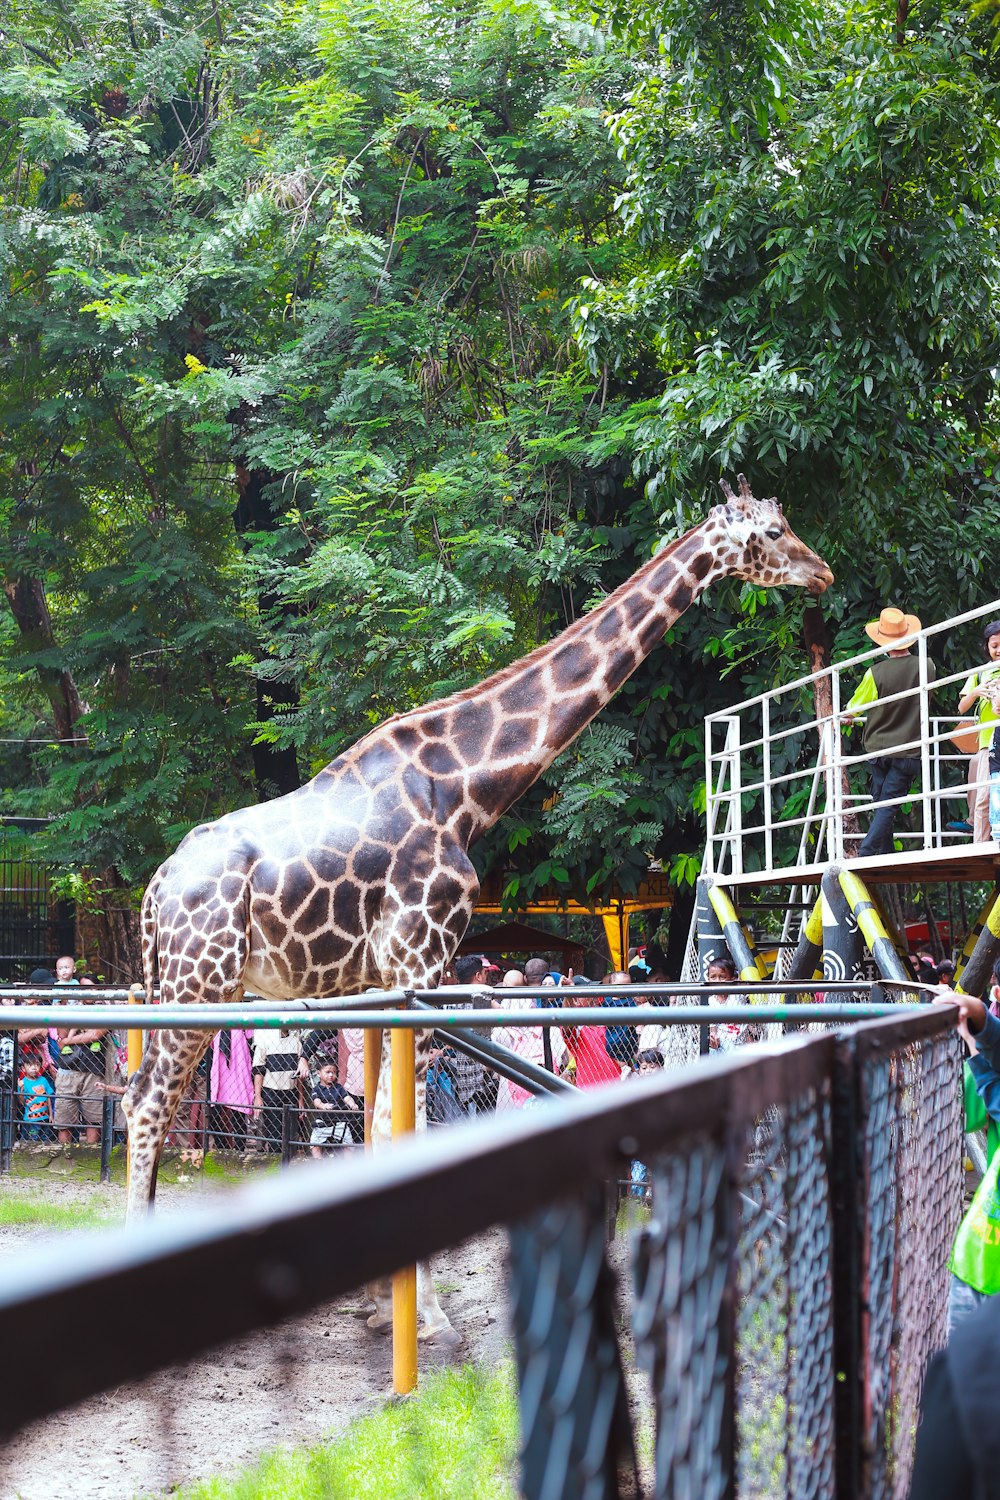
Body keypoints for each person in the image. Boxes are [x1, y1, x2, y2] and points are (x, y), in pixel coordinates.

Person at [843, 606, 937, 857]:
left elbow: (853, 708)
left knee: (882, 803)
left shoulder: (875, 673)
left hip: (878, 748)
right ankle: (883, 854)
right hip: (909, 749)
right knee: (887, 803)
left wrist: (848, 717)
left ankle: (866, 852)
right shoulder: (927, 666)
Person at [956, 618, 1000, 845]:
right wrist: (978, 692)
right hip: (987, 741)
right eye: (994, 646)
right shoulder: (981, 673)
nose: (998, 650)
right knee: (983, 796)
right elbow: (962, 706)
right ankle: (980, 846)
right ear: (987, 647)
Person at [53, 994, 109, 1147]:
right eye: (85, 988)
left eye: (92, 988)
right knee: (64, 1120)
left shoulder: (105, 1009)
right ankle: (64, 1157)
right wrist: (62, 1011)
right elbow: (61, 1035)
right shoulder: (73, 1008)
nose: (88, 992)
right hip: (68, 1069)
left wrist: (67, 1042)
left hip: (93, 1070)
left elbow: (95, 1035)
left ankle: (90, 1158)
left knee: (93, 1119)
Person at [252, 1028, 303, 1153]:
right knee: (274, 1134)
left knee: (291, 1135)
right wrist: (257, 1096)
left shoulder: (296, 1042)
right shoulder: (264, 1041)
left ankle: (289, 1165)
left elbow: (300, 1074)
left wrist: (301, 1099)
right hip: (271, 1091)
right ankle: (276, 1164)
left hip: (291, 1092)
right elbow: (258, 1071)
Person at [209, 1028, 254, 1151]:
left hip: (238, 1073)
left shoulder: (243, 1024)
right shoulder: (216, 1028)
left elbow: (251, 1036)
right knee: (212, 1115)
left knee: (238, 1116)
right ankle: (222, 1148)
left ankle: (239, 1150)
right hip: (220, 1073)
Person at [309, 1061, 362, 1156]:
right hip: (323, 1121)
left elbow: (347, 1097)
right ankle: (317, 1161)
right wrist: (323, 1105)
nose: (331, 1075)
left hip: (339, 1121)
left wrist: (352, 1104)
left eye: (333, 1072)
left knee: (348, 1143)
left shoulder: (338, 1087)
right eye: (327, 1072)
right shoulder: (316, 1089)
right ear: (319, 1073)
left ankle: (349, 1162)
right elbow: (316, 1102)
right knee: (314, 1143)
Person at [17, 1057, 54, 1142]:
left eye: (37, 1064)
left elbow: (48, 1097)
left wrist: (51, 1114)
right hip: (31, 1120)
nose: (34, 1068)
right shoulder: (23, 1082)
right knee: (33, 1138)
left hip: (45, 1117)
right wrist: (21, 1089)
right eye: (30, 1065)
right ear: (23, 1068)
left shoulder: (43, 1080)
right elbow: (22, 1102)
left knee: (45, 1138)